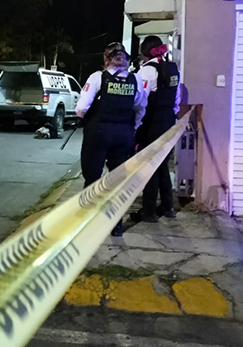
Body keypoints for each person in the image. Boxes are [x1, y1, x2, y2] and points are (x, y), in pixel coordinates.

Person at [76, 42, 148, 235]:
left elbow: (81, 107)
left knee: (92, 178)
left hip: (98, 134)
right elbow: (140, 107)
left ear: (106, 59)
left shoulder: (98, 77)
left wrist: (83, 117)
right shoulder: (135, 79)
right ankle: (115, 226)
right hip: (123, 135)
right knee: (117, 181)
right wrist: (133, 127)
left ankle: (88, 224)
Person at [132, 35, 181, 223]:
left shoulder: (147, 71)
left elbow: (140, 101)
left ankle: (149, 210)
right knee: (162, 164)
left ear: (145, 52)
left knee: (149, 164)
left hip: (152, 123)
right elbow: (177, 98)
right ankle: (168, 206)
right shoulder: (173, 68)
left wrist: (136, 124)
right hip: (168, 120)